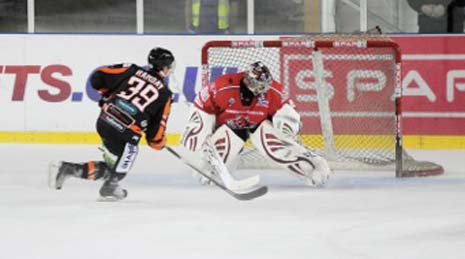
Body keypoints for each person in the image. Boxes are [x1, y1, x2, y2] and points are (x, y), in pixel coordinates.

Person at [48, 47, 175, 201]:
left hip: (104, 122)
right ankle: (102, 182)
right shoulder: (165, 94)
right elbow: (155, 136)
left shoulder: (132, 69)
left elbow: (97, 78)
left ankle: (100, 183)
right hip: (125, 134)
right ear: (165, 67)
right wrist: (159, 142)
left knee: (112, 166)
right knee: (118, 171)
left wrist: (107, 96)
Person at [179, 61, 331, 187]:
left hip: (258, 125)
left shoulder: (273, 92)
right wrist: (202, 132)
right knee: (207, 168)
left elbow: (290, 115)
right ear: (250, 81)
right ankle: (210, 170)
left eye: (265, 85)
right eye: (260, 85)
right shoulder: (223, 87)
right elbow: (202, 106)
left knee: (276, 149)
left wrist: (289, 131)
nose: (264, 89)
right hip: (230, 128)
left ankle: (309, 168)